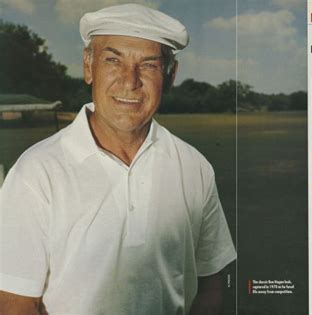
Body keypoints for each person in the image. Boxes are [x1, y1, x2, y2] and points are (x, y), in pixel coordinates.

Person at [0, 4, 236, 315]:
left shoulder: (194, 167)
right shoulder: (36, 173)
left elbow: (211, 286)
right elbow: (15, 304)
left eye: (149, 65)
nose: (130, 81)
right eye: (113, 60)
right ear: (88, 66)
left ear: (170, 76)